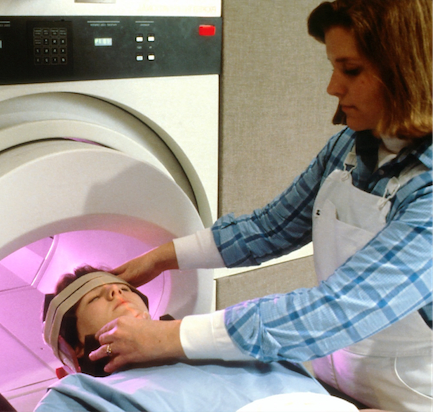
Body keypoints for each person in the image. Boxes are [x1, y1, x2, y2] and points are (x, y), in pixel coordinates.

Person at [88, 1, 433, 411]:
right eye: (333, 67)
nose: (332, 87)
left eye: (350, 70)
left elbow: (334, 311)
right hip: (327, 385)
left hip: (408, 397)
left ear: (405, 71)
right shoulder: (349, 147)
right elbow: (270, 228)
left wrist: (168, 337)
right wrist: (162, 258)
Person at [36, 266, 358, 412]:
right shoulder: (86, 394)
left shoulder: (223, 338)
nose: (115, 291)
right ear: (76, 345)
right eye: (95, 299)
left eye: (124, 289)